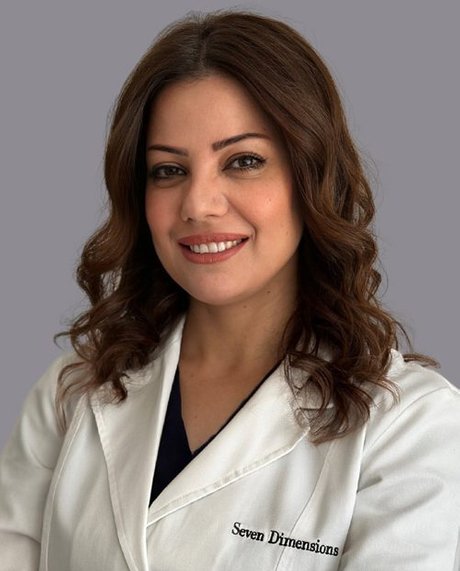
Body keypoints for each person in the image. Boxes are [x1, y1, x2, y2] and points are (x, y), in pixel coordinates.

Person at [0, 9, 459, 571]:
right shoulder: (71, 392)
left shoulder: (410, 425)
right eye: (168, 170)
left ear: (312, 177)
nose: (198, 204)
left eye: (243, 161)